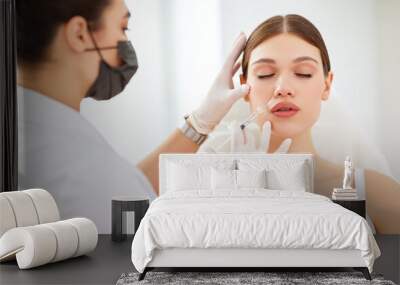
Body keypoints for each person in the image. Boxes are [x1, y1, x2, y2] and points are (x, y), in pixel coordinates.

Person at [16, 0, 250, 233]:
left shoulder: (40, 130)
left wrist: (200, 122)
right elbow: (119, 209)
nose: (126, 44)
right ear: (79, 34)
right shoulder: (73, 167)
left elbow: (126, 195)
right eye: (122, 27)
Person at [199, 14, 400, 234]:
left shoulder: (376, 191)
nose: (283, 88)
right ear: (244, 87)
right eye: (265, 74)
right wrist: (239, 196)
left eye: (303, 73)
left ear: (326, 85)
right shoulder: (212, 186)